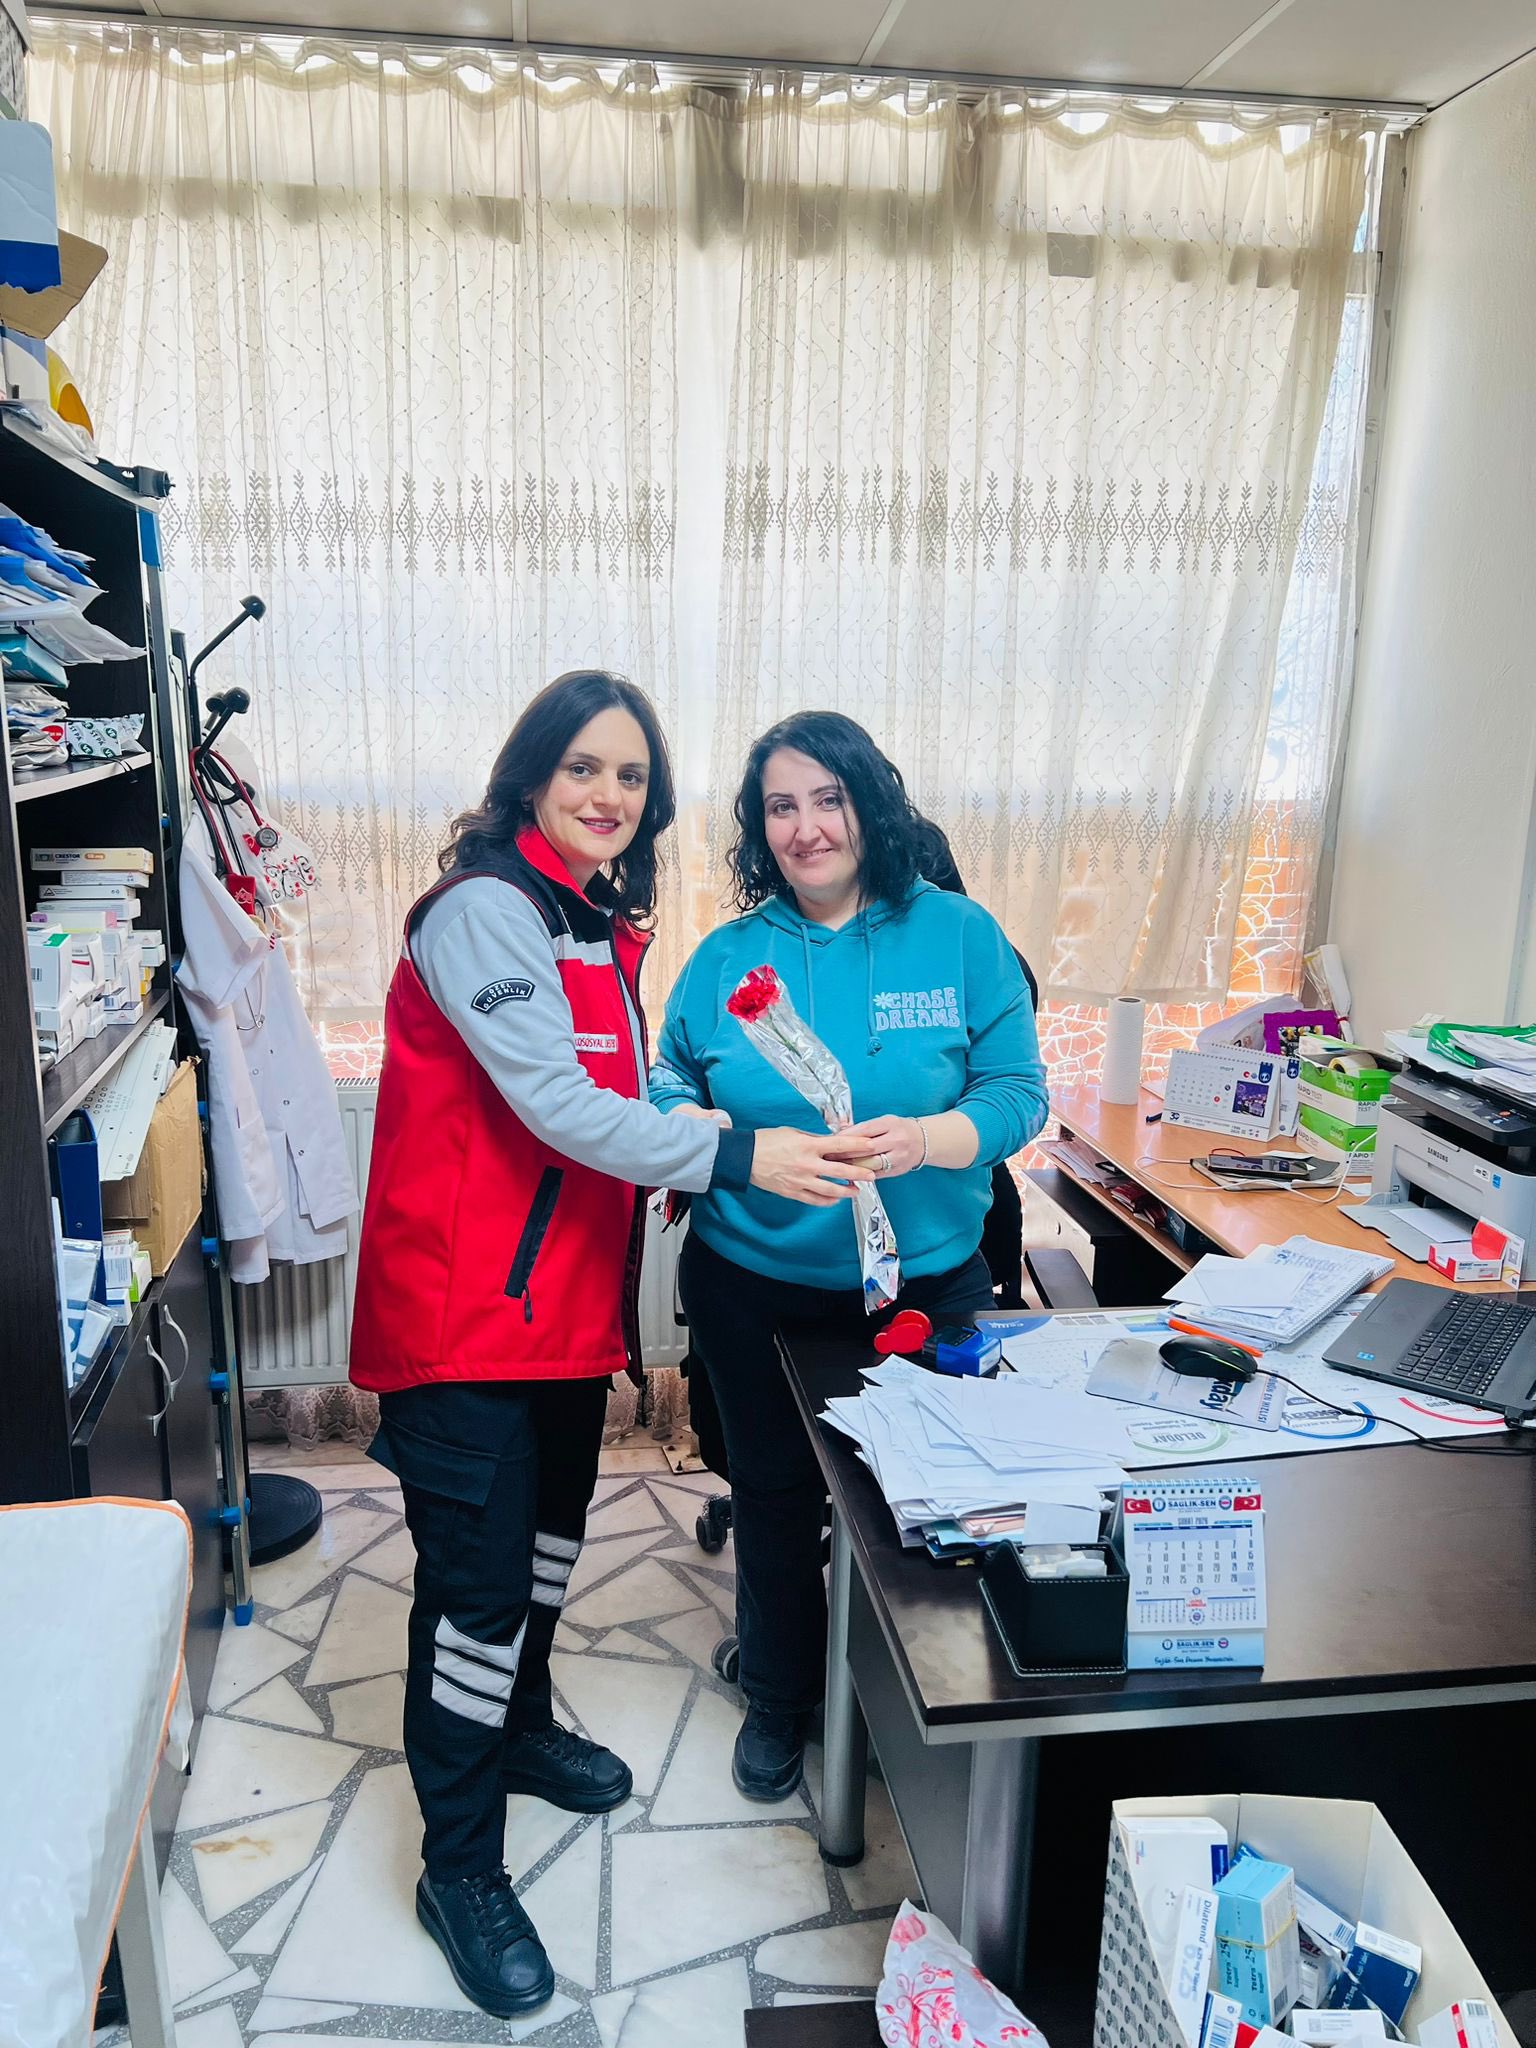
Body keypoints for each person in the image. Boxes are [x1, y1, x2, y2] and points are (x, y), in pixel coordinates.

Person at [348, 672, 870, 2019]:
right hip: (465, 1324)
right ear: (531, 773)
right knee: (472, 1603)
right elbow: (562, 1107)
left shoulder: (588, 921)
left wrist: (710, 1113)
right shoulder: (484, 911)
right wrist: (744, 1152)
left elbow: (627, 1095)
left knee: (541, 1556)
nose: (608, 794)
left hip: (558, 1319)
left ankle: (520, 1731)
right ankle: (459, 1867)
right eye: (583, 766)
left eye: (631, 775)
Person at [649, 710, 1050, 1801]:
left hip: (926, 1282)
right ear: (759, 828)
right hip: (754, 1284)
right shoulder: (728, 957)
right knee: (775, 1497)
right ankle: (781, 1696)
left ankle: (912, 1700)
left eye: (827, 798)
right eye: (780, 806)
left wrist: (931, 1138)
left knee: (923, 1506)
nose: (806, 827)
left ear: (869, 803)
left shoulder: (959, 935)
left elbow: (1019, 1094)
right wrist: (707, 1134)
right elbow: (667, 1077)